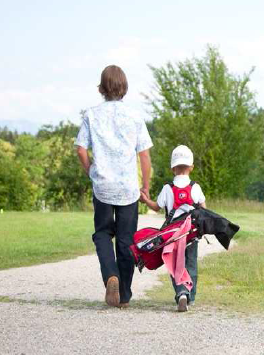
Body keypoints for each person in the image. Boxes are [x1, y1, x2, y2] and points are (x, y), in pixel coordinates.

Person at [75, 65, 153, 308]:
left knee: (102, 234)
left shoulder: (91, 114)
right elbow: (144, 156)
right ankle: (125, 294)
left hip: (103, 188)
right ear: (124, 88)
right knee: (126, 240)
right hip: (128, 189)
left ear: (101, 88)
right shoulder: (135, 116)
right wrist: (146, 187)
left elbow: (80, 148)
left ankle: (111, 275)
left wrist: (91, 171)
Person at [140, 145, 206, 312]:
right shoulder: (195, 187)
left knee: (175, 264)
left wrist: (146, 200)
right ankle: (189, 294)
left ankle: (181, 293)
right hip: (191, 235)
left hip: (172, 235)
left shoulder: (167, 188)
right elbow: (203, 210)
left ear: (172, 168)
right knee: (191, 264)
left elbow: (156, 207)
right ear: (191, 167)